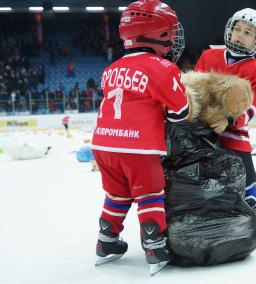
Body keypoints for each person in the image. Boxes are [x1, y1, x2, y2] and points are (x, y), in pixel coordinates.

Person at [91, 0, 188, 275]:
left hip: (103, 144)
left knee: (118, 194)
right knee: (150, 193)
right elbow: (181, 112)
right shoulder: (162, 67)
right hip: (137, 146)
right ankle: (155, 246)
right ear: (160, 33)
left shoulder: (111, 68)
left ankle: (106, 241)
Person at [194, 8, 256, 234]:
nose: (239, 34)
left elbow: (249, 110)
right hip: (201, 129)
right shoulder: (209, 56)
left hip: (232, 132)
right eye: (237, 29)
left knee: (244, 167)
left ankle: (253, 203)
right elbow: (195, 89)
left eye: (248, 32)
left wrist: (228, 119)